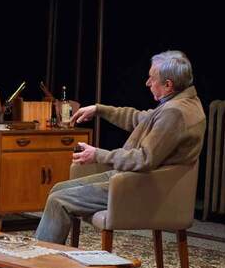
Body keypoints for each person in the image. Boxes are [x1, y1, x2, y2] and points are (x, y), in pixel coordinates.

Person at [35, 50, 206, 244]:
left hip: (140, 186)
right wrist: (99, 109)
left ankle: (41, 264)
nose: (147, 83)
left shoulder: (174, 112)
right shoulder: (183, 102)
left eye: (152, 79)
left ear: (168, 85)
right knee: (58, 189)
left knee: (59, 200)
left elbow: (143, 159)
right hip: (134, 179)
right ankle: (47, 257)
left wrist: (98, 155)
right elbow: (139, 119)